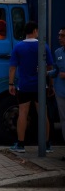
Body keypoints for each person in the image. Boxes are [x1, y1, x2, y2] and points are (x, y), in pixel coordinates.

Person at [9, 21, 53, 153]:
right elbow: (50, 67)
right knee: (43, 115)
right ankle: (46, 144)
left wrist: (10, 84)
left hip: (24, 86)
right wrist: (51, 84)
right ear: (35, 31)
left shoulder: (18, 47)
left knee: (22, 114)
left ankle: (21, 144)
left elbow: (12, 67)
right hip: (40, 85)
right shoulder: (43, 46)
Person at [47, 26, 65, 161]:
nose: (59, 38)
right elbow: (56, 71)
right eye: (59, 35)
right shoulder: (58, 51)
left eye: (63, 35)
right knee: (63, 121)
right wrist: (44, 73)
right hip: (60, 92)